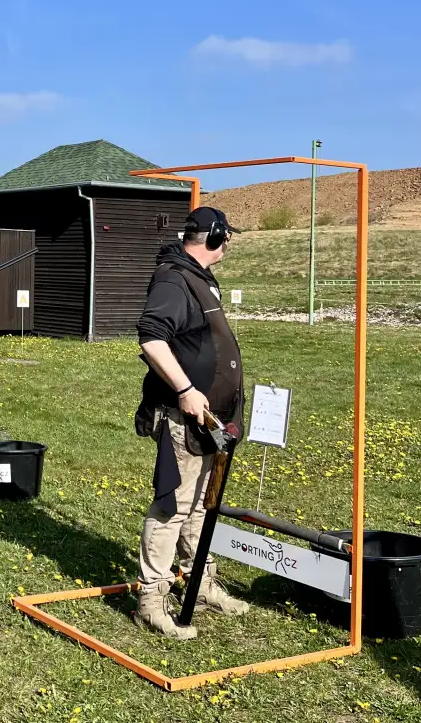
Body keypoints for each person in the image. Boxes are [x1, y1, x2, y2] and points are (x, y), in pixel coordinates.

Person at [131, 206, 252, 640]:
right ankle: (152, 599)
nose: (229, 244)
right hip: (184, 416)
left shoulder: (196, 276)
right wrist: (185, 389)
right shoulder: (174, 279)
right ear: (216, 237)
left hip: (211, 418)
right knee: (174, 505)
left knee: (202, 503)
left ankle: (199, 582)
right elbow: (151, 337)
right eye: (227, 236)